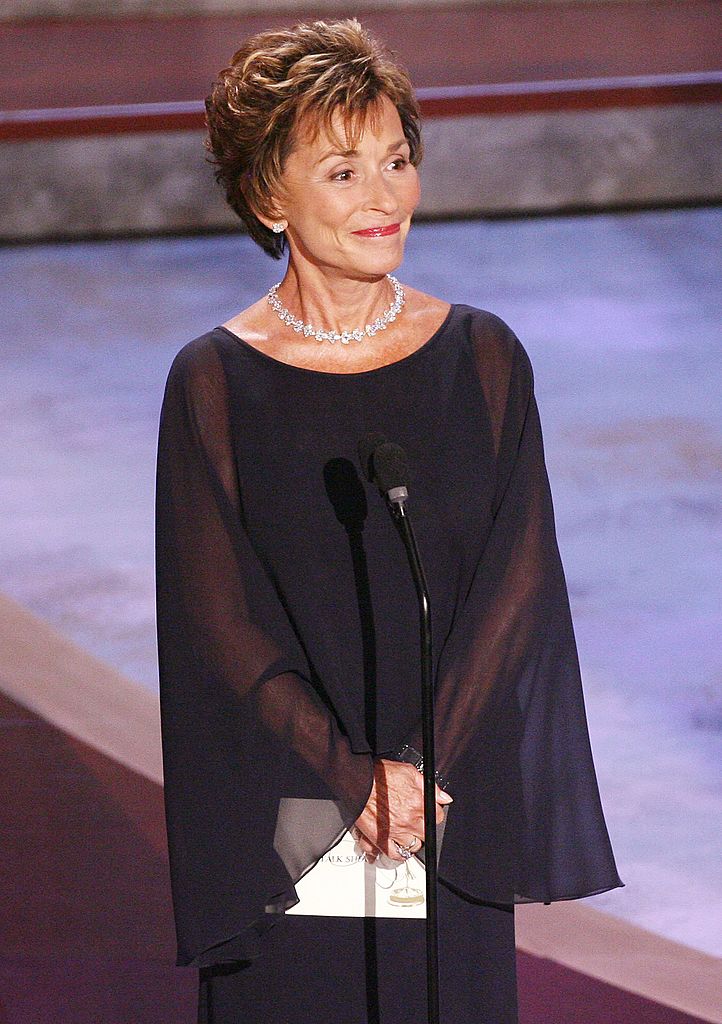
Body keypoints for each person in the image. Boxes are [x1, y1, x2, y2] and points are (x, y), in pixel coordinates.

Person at [154, 17, 623, 1023]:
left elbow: (516, 581)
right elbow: (219, 622)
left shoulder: (482, 358)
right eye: (343, 172)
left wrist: (417, 776)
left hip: (441, 813)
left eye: (397, 161)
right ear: (265, 195)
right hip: (289, 811)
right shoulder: (213, 382)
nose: (383, 198)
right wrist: (349, 776)